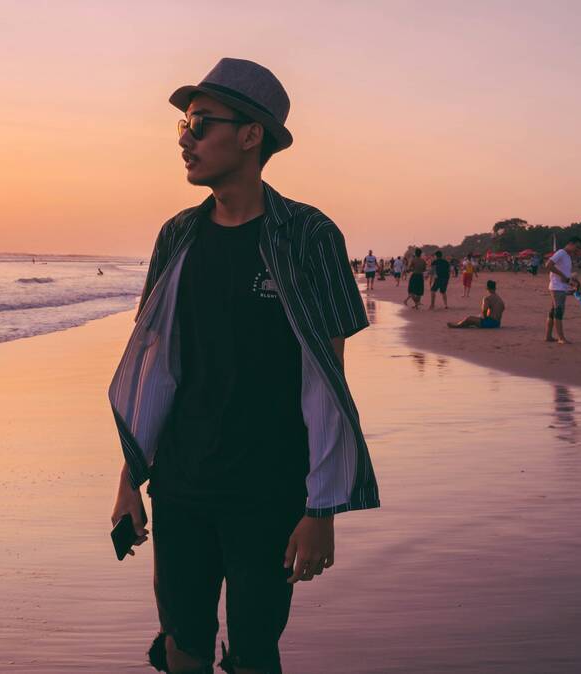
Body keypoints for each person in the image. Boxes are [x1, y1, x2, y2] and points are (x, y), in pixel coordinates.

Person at [107, 58, 379, 674]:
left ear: (251, 135)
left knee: (255, 650)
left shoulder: (309, 235)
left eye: (201, 123)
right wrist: (129, 480)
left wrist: (321, 509)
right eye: (183, 123)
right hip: (181, 483)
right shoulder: (177, 237)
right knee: (182, 645)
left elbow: (330, 382)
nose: (185, 139)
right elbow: (157, 369)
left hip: (270, 488)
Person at [543, 236, 581, 344]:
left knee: (553, 312)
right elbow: (548, 265)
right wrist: (562, 275)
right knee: (558, 312)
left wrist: (572, 282)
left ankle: (548, 336)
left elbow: (565, 274)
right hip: (557, 287)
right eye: (577, 247)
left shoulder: (567, 256)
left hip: (559, 286)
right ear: (571, 243)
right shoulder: (561, 253)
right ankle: (561, 338)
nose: (577, 250)